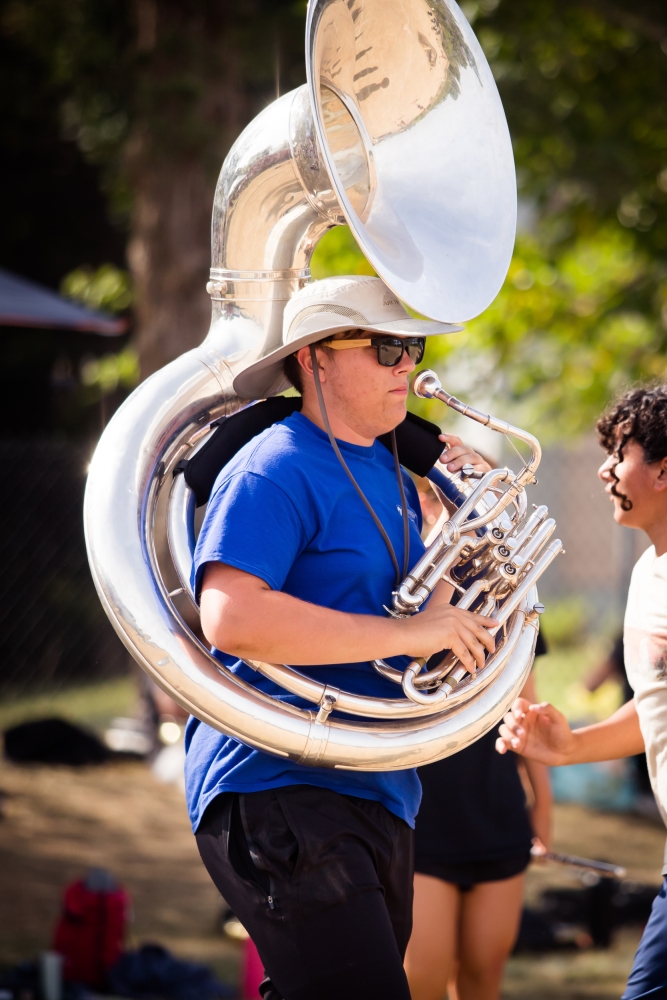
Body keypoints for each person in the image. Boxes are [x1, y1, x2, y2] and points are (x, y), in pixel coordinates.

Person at [185, 275, 499, 1000]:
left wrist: (462, 542)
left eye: (412, 347)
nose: (407, 365)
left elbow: (415, 625)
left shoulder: (394, 472)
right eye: (386, 347)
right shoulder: (275, 465)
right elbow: (231, 617)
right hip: (280, 779)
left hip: (378, 785)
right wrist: (409, 630)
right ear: (314, 358)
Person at [496, 384, 667, 1000]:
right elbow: (657, 709)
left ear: (664, 470)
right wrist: (570, 747)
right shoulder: (648, 574)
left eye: (620, 453)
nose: (604, 469)